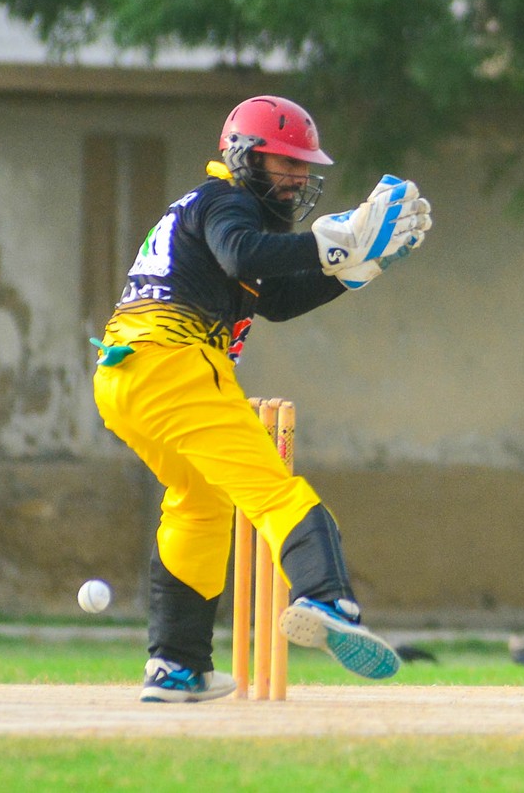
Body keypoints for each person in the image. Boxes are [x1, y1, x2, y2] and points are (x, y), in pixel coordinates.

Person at [91, 95, 432, 702]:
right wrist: (334, 242)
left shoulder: (209, 209)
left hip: (124, 377)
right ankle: (325, 599)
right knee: (274, 491)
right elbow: (245, 253)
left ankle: (176, 667)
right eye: (287, 162)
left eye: (305, 166)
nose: (299, 177)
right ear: (246, 157)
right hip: (176, 362)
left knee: (199, 503)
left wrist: (357, 267)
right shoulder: (226, 200)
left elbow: (274, 298)